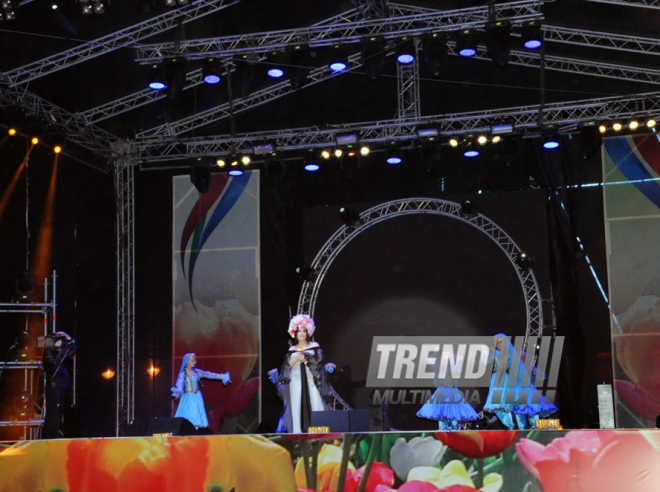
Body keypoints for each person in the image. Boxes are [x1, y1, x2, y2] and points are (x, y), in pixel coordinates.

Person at [276, 314, 331, 434]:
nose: (301, 333)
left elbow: (319, 362)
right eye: (299, 331)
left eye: (304, 331)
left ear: (308, 332)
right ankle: (297, 434)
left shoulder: (314, 346)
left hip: (311, 381)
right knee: (296, 405)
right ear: (295, 333)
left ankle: (319, 433)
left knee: (315, 401)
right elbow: (286, 367)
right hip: (296, 382)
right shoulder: (292, 350)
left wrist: (307, 357)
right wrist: (296, 359)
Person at [417, 353, 479, 430]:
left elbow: (455, 382)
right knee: (443, 417)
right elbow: (436, 381)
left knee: (454, 417)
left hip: (452, 392)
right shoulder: (440, 371)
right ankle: (445, 433)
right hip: (443, 392)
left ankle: (454, 435)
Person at [171, 353, 230, 430]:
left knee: (197, 416)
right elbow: (179, 383)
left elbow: (208, 374)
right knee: (190, 416)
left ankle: (195, 432)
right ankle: (189, 431)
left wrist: (222, 377)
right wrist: (178, 391)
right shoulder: (183, 374)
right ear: (187, 362)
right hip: (188, 398)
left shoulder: (196, 372)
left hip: (197, 397)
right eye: (193, 361)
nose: (195, 362)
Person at [43, 331, 77, 439]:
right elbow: (53, 365)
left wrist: (68, 336)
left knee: (58, 415)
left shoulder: (61, 351)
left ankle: (54, 438)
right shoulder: (49, 352)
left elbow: (74, 346)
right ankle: (48, 439)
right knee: (52, 416)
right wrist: (59, 351)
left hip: (62, 385)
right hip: (54, 386)